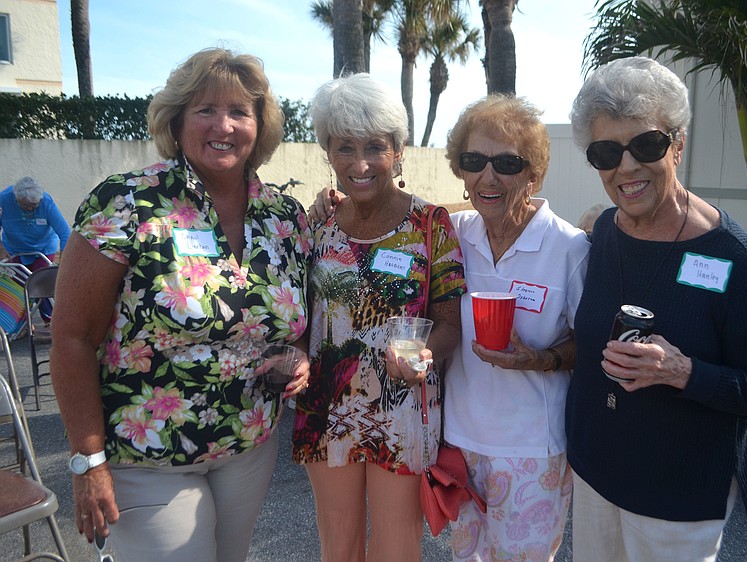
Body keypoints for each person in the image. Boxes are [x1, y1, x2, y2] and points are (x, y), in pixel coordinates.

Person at [50, 48, 311, 562]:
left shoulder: (285, 216)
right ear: (177, 120)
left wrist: (296, 353)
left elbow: (295, 319)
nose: (224, 125)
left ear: (261, 126)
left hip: (249, 445)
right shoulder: (126, 203)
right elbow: (72, 337)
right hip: (147, 454)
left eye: (240, 111)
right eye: (205, 110)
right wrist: (88, 460)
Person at [310, 95, 590, 561]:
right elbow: (388, 215)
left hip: (530, 448)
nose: (489, 175)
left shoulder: (569, 248)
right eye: (474, 160)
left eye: (507, 162)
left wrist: (542, 359)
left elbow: (591, 341)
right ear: (460, 170)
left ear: (533, 173)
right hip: (459, 442)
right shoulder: (455, 230)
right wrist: (330, 199)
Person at [565, 56, 747, 561]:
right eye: (606, 151)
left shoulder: (730, 255)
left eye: (646, 144)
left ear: (678, 145)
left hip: (678, 493)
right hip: (597, 475)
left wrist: (682, 371)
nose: (626, 167)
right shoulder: (603, 234)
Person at [291, 73, 465, 562]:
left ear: (398, 150)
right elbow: (294, 315)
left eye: (375, 147)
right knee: (338, 546)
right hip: (327, 408)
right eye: (344, 147)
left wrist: (428, 355)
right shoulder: (316, 226)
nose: (360, 164)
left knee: (396, 547)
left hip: (403, 408)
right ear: (327, 151)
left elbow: (450, 320)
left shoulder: (430, 224)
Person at [0, 176, 71, 321]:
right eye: (25, 205)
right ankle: (23, 323)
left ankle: (49, 320)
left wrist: (64, 261)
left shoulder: (46, 202)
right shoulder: (3, 199)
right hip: (15, 248)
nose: (31, 209)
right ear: (16, 199)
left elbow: (64, 233)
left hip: (43, 249)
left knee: (40, 283)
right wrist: (1, 249)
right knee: (18, 285)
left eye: (34, 205)